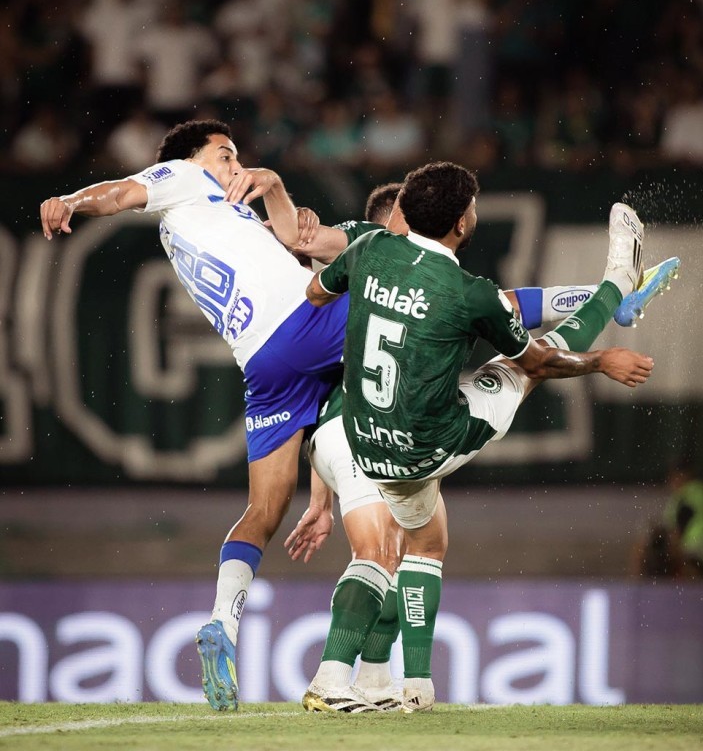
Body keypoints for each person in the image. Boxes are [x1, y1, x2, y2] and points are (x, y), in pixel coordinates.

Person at [303, 161, 655, 712]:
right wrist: (601, 360)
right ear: (463, 223)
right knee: (524, 370)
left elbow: (316, 293)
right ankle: (617, 277)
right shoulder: (470, 293)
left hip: (366, 439)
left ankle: (398, 686)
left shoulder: (368, 252)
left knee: (424, 540)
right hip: (428, 445)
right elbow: (542, 358)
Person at [39, 119, 354, 712]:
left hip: (263, 364)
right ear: (191, 161)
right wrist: (72, 201)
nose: (236, 166)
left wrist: (322, 500)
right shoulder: (183, 179)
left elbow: (293, 240)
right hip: (299, 324)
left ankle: (222, 627)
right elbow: (121, 192)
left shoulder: (226, 216)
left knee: (263, 510)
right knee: (406, 303)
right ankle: (526, 325)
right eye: (225, 155)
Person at [662, 458, 703, 579]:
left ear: (683, 476)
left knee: (644, 551)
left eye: (674, 476)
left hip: (694, 548)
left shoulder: (688, 494)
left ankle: (639, 592)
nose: (670, 481)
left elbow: (678, 529)